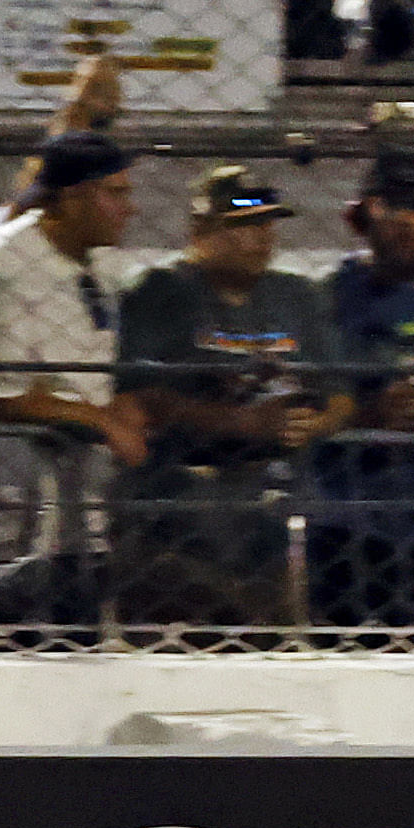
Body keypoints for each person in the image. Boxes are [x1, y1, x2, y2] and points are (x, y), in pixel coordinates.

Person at [107, 165, 341, 627]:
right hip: (175, 502)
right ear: (202, 229)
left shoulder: (295, 295)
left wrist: (311, 424)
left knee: (265, 643)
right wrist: (242, 423)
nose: (261, 237)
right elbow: (141, 394)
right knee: (173, 637)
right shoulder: (161, 291)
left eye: (267, 224)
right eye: (243, 224)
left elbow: (338, 393)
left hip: (265, 504)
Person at [0, 129, 143, 621]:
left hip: (80, 506)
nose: (131, 207)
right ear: (74, 199)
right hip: (10, 507)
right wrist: (98, 419)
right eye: (115, 193)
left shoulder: (101, 257)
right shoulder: (7, 262)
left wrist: (121, 404)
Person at [313, 149, 414, 627]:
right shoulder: (326, 298)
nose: (405, 222)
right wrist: (369, 412)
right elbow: (301, 403)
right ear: (361, 217)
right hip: (345, 515)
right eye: (391, 207)